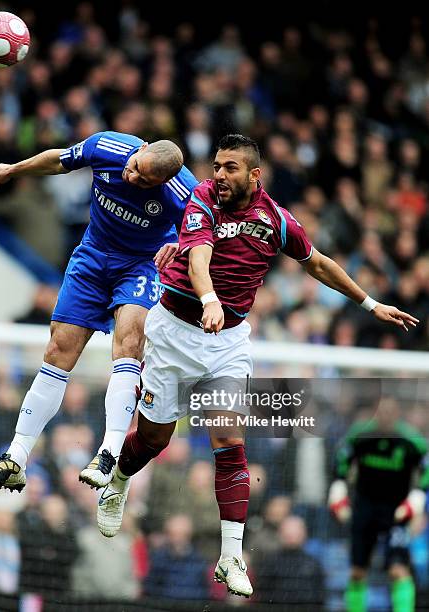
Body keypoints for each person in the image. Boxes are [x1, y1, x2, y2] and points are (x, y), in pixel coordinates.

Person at [95, 134, 419, 599]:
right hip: (174, 330)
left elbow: (318, 264)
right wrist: (208, 298)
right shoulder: (202, 200)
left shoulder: (277, 220)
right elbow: (199, 256)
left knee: (228, 437)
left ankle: (230, 555)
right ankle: (120, 481)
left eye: (230, 168)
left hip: (227, 340)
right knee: (154, 439)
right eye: (217, 166)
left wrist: (370, 304)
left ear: (254, 175)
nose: (219, 175)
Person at [0, 131, 197, 492]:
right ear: (140, 149)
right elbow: (58, 159)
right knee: (57, 349)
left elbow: (205, 236)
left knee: (129, 342)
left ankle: (108, 453)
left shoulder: (183, 192)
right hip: (93, 254)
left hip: (141, 265)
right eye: (136, 169)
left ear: (166, 181)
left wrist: (179, 244)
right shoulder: (108, 147)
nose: (134, 179)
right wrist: (14, 169)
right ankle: (16, 456)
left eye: (146, 180)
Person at [328, 398, 429, 612]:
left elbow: (426, 466)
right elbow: (342, 458)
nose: (385, 417)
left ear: (397, 416)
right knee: (357, 571)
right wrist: (338, 485)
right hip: (364, 508)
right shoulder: (360, 435)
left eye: (390, 413)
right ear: (375, 414)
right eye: (381, 412)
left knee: (398, 570)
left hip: (396, 512)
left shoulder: (411, 440)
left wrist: (418, 494)